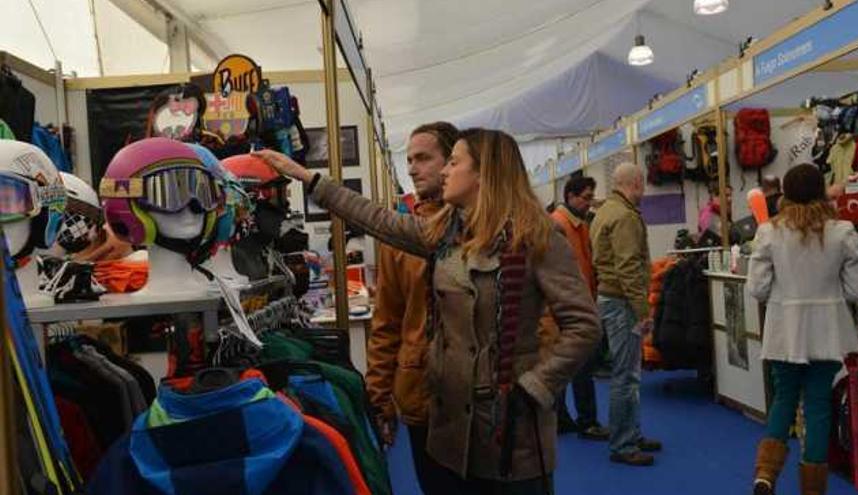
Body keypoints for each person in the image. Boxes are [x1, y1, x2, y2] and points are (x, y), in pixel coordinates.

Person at [254, 128, 601, 493]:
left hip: (509, 427)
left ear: (485, 172)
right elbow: (376, 219)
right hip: (449, 422)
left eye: (454, 162)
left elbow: (584, 325)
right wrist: (309, 179)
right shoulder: (444, 233)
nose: (445, 172)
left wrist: (536, 386)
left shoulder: (537, 237)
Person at [747, 164, 858, 495]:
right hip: (827, 331)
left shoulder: (769, 232)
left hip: (784, 330)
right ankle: (813, 489)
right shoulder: (842, 231)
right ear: (821, 190)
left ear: (784, 192)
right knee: (817, 405)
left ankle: (765, 474)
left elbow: (757, 288)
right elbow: (857, 289)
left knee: (783, 399)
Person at [367, 121, 459, 494]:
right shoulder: (400, 238)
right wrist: (380, 402)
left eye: (423, 158)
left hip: (478, 394)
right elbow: (386, 323)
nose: (412, 168)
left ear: (452, 162)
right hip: (419, 388)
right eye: (409, 160)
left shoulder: (481, 228)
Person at [590, 163, 662, 467]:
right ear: (637, 183)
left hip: (610, 298)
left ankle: (629, 433)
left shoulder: (606, 211)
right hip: (622, 303)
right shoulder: (625, 217)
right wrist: (643, 311)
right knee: (627, 375)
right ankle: (623, 443)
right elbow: (629, 267)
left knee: (626, 373)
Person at [541, 176, 609, 441]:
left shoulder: (577, 224)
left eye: (591, 197)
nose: (589, 203)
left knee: (568, 367)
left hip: (572, 305)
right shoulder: (559, 225)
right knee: (581, 367)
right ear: (570, 196)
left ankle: (563, 418)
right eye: (586, 197)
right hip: (568, 308)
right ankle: (586, 421)